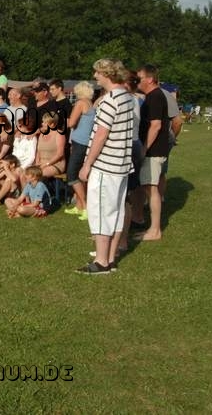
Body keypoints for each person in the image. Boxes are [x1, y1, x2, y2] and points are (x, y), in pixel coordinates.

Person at [77, 58, 134, 274]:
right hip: (120, 164)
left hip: (106, 165)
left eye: (97, 73)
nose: (95, 77)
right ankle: (110, 258)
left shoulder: (111, 100)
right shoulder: (127, 97)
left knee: (101, 212)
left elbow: (101, 134)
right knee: (116, 210)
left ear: (106, 74)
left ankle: (101, 262)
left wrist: (87, 164)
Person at [134, 64, 170, 241]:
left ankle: (155, 230)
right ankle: (152, 227)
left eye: (139, 78)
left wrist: (144, 148)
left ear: (149, 79)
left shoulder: (155, 97)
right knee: (149, 187)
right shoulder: (153, 96)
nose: (137, 81)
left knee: (151, 188)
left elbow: (156, 125)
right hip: (155, 149)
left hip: (154, 151)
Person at [64, 81, 96, 220]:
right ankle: (79, 206)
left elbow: (71, 123)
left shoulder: (80, 103)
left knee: (72, 174)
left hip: (80, 142)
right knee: (79, 174)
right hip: (85, 141)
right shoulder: (91, 104)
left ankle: (85, 206)